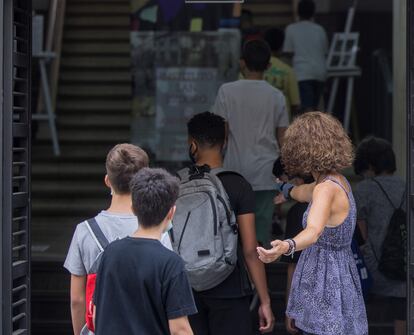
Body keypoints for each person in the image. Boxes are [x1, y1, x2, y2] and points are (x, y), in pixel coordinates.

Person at [257, 112, 368, 335]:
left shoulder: (325, 189)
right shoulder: (336, 181)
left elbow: (313, 231)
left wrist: (286, 246)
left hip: (325, 284)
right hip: (339, 277)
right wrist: (284, 189)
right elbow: (301, 192)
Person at [64, 144, 172, 335]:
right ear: (143, 181)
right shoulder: (158, 230)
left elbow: (77, 300)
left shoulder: (84, 231)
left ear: (107, 180)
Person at [186, 112, 274, 334]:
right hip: (230, 288)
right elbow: (250, 250)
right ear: (224, 143)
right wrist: (265, 300)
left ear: (192, 144)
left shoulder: (178, 185)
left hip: (188, 290)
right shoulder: (238, 185)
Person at [93, 168, 197, 334]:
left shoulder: (110, 253)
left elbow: (97, 313)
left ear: (133, 208)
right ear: (171, 212)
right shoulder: (170, 263)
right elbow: (180, 330)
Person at [212, 39, 289, 247]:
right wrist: (286, 173)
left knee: (233, 229)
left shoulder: (226, 92)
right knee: (262, 231)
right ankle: (260, 276)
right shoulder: (277, 96)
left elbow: (222, 136)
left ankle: (241, 275)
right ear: (269, 66)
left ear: (241, 63)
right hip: (267, 172)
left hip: (234, 171)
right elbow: (284, 139)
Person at [353, 136, 406, 335]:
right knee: (402, 309)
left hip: (374, 268)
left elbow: (361, 234)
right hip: (402, 267)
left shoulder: (365, 189)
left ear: (369, 165)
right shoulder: (406, 185)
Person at [272, 158, 312, 335]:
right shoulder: (339, 196)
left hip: (309, 298)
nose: (280, 187)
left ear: (296, 180)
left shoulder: (298, 212)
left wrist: (290, 308)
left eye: (282, 183)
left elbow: (293, 266)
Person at [283, 0, 328, 111]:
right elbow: (325, 51)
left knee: (307, 110)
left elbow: (288, 52)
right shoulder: (320, 29)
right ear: (313, 13)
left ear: (298, 12)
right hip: (320, 73)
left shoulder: (291, 29)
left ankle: (309, 128)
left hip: (302, 74)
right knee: (314, 107)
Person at [264, 28, 301, 118]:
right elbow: (295, 104)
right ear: (282, 46)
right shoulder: (288, 71)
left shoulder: (252, 69)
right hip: (283, 123)